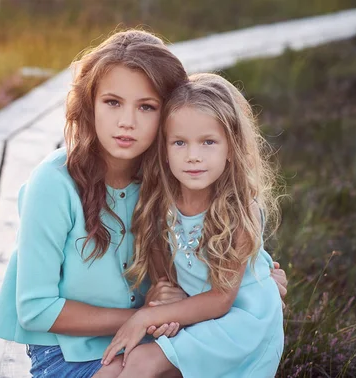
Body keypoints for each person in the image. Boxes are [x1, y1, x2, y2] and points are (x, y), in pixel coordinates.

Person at [0, 30, 288, 378]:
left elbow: (212, 252)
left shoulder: (167, 179)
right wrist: (144, 314)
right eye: (112, 102)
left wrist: (259, 278)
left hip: (153, 338)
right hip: (70, 355)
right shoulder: (54, 183)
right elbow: (35, 309)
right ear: (90, 104)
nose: (127, 122)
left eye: (146, 107)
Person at [101, 73, 285, 378]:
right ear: (164, 148)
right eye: (180, 143)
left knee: (142, 361)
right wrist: (163, 300)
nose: (193, 157)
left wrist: (145, 318)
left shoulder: (240, 209)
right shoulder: (160, 203)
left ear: (231, 148)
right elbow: (167, 276)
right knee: (114, 368)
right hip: (197, 317)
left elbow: (221, 299)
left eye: (208, 142)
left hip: (243, 324)